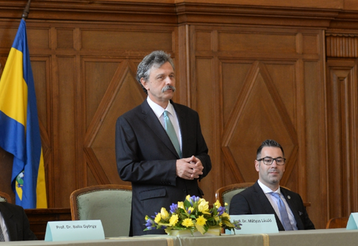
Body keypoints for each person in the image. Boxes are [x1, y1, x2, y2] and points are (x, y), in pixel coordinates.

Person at [115, 50, 211, 236]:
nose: (169, 82)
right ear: (145, 83)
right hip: (154, 215)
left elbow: (204, 155)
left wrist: (200, 164)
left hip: (192, 212)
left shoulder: (190, 116)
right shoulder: (129, 121)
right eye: (161, 77)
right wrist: (173, 168)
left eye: (171, 76)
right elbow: (126, 169)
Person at [230, 139, 315, 231]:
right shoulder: (242, 200)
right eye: (268, 160)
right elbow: (241, 237)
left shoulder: (295, 198)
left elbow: (310, 232)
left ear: (284, 166)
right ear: (257, 165)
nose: (274, 165)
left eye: (279, 160)